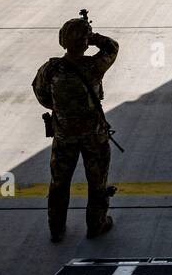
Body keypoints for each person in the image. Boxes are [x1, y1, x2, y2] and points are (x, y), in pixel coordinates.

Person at [31, 16, 120, 241]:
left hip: (64, 135)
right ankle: (96, 225)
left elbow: (40, 94)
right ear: (84, 42)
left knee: (59, 183)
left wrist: (60, 110)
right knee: (97, 182)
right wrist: (93, 37)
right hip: (94, 136)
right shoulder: (94, 66)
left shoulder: (51, 69)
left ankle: (56, 229)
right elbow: (112, 46)